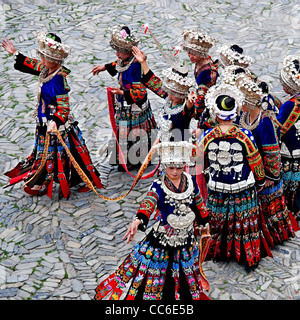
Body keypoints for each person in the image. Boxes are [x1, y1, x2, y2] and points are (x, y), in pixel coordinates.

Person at [95, 138, 211, 300]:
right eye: (171, 167)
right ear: (165, 166)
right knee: (159, 277)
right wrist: (138, 219)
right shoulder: (159, 186)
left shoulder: (190, 182)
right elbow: (148, 203)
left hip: (186, 238)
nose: (175, 171)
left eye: (179, 167)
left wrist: (205, 222)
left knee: (185, 276)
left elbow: (198, 203)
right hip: (163, 241)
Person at [1, 33, 103, 199]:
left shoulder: (58, 79)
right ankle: (43, 179)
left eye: (44, 56)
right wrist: (15, 53)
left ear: (55, 60)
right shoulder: (46, 69)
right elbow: (31, 64)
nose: (41, 59)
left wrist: (55, 122)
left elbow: (64, 107)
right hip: (44, 121)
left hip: (57, 124)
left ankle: (86, 179)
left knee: (68, 153)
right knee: (45, 153)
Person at [198, 83, 272, 270]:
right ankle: (247, 254)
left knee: (219, 219)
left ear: (216, 113)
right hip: (242, 186)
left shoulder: (207, 136)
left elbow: (199, 161)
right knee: (243, 220)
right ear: (235, 111)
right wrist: (261, 180)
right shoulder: (244, 135)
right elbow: (255, 160)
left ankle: (219, 250)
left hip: (217, 185)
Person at [237, 75, 299, 248]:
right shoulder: (243, 117)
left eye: (241, 102)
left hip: (265, 172)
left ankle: (273, 235)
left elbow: (272, 152)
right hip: (250, 170)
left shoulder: (265, 122)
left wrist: (270, 176)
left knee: (268, 207)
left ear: (249, 103)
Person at [92, 25, 156, 171]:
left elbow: (140, 91)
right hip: (125, 104)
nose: (117, 54)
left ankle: (136, 158)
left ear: (128, 52)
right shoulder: (125, 61)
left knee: (134, 131)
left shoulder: (135, 66)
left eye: (120, 51)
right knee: (124, 130)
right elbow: (119, 65)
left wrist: (122, 93)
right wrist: (105, 67)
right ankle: (125, 156)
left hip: (134, 106)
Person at [132, 46, 195, 142]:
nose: (170, 96)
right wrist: (143, 62)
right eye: (170, 92)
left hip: (179, 147)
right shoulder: (169, 98)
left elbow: (188, 107)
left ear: (182, 95)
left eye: (175, 94)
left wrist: (190, 101)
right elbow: (154, 82)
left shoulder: (183, 110)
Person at [277, 55, 300, 221]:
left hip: (290, 151)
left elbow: (278, 129)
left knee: (291, 184)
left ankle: (293, 211)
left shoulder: (290, 105)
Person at [182, 29, 219, 128]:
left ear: (201, 54)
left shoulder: (205, 74)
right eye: (189, 52)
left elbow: (201, 99)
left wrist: (191, 109)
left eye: (193, 53)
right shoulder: (202, 61)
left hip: (206, 105)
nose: (190, 55)